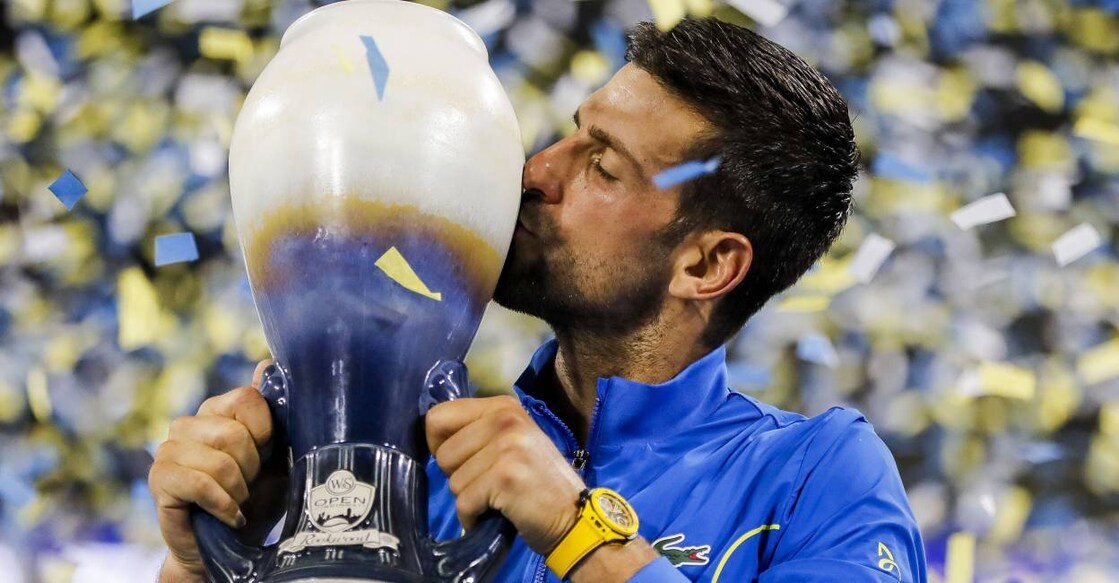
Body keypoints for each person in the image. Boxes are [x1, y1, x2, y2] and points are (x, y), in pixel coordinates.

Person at [149, 17, 928, 583]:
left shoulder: (814, 472)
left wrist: (576, 529)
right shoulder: (415, 469)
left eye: (602, 166)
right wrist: (204, 564)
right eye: (568, 132)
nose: (533, 170)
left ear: (705, 263)